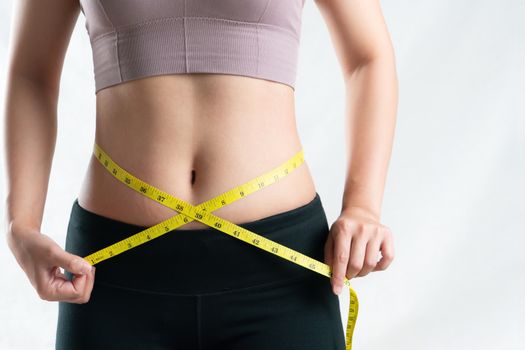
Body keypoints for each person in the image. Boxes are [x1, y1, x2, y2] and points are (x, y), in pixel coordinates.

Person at [4, 0, 397, 349]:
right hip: (112, 274)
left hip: (281, 269)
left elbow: (368, 55)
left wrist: (363, 206)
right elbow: (31, 75)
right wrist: (21, 223)